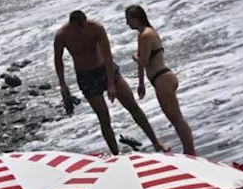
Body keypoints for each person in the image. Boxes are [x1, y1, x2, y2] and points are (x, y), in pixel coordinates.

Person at [54, 10, 165, 155]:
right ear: (72, 24)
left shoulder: (96, 28)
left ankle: (156, 143)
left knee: (132, 106)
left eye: (84, 25)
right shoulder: (62, 35)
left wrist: (111, 83)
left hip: (106, 69)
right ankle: (116, 155)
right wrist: (63, 85)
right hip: (86, 76)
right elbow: (58, 60)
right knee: (104, 118)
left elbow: (107, 54)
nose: (82, 29)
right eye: (78, 27)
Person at [126, 4, 195, 156]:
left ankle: (190, 151)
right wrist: (141, 83)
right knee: (174, 117)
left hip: (162, 79)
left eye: (128, 19)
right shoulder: (144, 34)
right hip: (161, 78)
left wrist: (134, 57)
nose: (127, 23)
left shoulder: (146, 35)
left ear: (136, 18)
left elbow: (142, 61)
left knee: (176, 118)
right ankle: (189, 150)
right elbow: (144, 61)